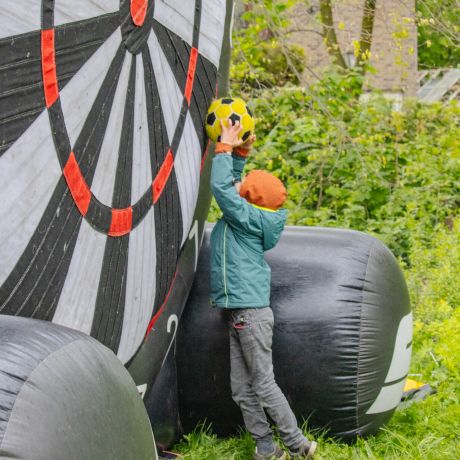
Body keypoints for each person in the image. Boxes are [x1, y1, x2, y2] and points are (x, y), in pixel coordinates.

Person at [209, 119, 317, 460]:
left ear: (249, 201)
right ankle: (267, 449)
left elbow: (223, 188)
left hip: (250, 316)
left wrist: (224, 149)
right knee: (242, 390)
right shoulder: (250, 215)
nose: (239, 185)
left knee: (263, 384)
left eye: (244, 187)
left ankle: (298, 444)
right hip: (241, 313)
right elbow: (233, 187)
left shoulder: (242, 217)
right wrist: (241, 152)